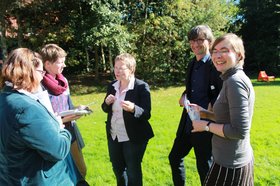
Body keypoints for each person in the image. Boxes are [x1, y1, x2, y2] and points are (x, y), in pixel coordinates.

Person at [0, 48, 73, 185]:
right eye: (41, 72)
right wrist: (61, 128)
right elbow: (58, 149)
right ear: (29, 72)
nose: (42, 77)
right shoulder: (26, 108)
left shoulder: (5, 98)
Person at [192, 33, 255, 185]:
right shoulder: (229, 79)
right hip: (226, 158)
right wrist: (205, 113)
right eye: (215, 51)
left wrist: (206, 126)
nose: (218, 55)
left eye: (224, 50)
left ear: (238, 55)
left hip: (231, 164)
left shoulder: (235, 81)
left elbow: (239, 131)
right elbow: (228, 117)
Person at [168, 25, 223, 185]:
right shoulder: (192, 63)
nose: (195, 44)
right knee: (174, 157)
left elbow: (220, 93)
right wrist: (183, 97)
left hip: (205, 124)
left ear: (209, 41)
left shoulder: (215, 65)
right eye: (192, 41)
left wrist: (210, 110)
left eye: (200, 40)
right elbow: (190, 89)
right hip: (187, 122)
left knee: (204, 165)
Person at [101, 53, 154, 186]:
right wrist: (106, 103)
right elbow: (105, 108)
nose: (117, 71)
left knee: (133, 172)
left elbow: (146, 114)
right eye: (115, 67)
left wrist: (133, 108)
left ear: (131, 69)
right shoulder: (112, 86)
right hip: (114, 135)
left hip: (133, 137)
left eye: (121, 68)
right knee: (118, 169)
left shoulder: (141, 87)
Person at [40, 44, 89, 186]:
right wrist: (68, 117)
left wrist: (77, 109)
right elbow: (44, 117)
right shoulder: (39, 85)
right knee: (63, 176)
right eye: (60, 62)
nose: (64, 65)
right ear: (47, 64)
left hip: (70, 132)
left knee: (81, 170)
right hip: (54, 136)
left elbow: (69, 105)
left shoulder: (63, 81)